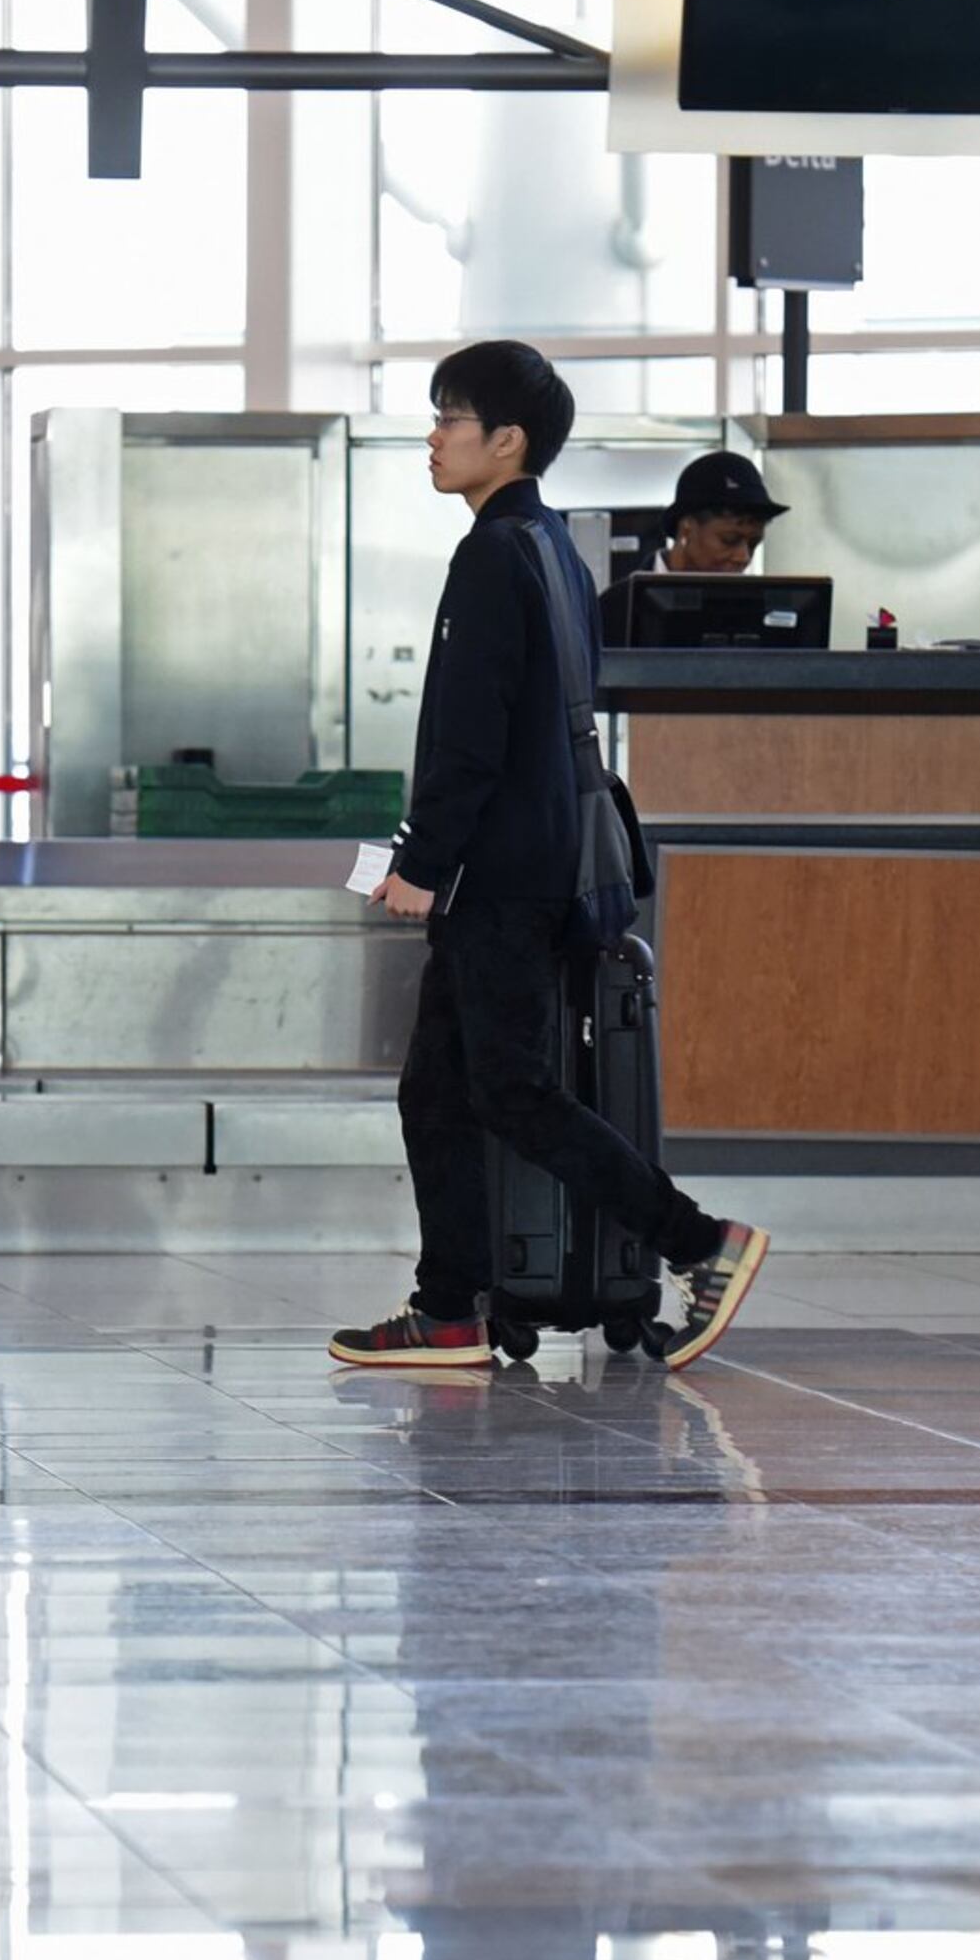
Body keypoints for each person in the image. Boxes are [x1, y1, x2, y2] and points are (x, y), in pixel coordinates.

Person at [334, 340, 771, 1373]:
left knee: (515, 1090)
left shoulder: (493, 553)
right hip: (539, 861)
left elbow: (471, 736)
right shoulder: (555, 552)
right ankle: (448, 1311)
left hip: (501, 872)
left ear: (507, 440)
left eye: (450, 419)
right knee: (438, 1093)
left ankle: (702, 1244)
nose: (433, 438)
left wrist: (424, 863)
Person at [653, 449, 785, 575]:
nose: (744, 557)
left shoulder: (754, 597)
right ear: (687, 527)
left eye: (753, 544)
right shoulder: (632, 593)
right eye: (729, 540)